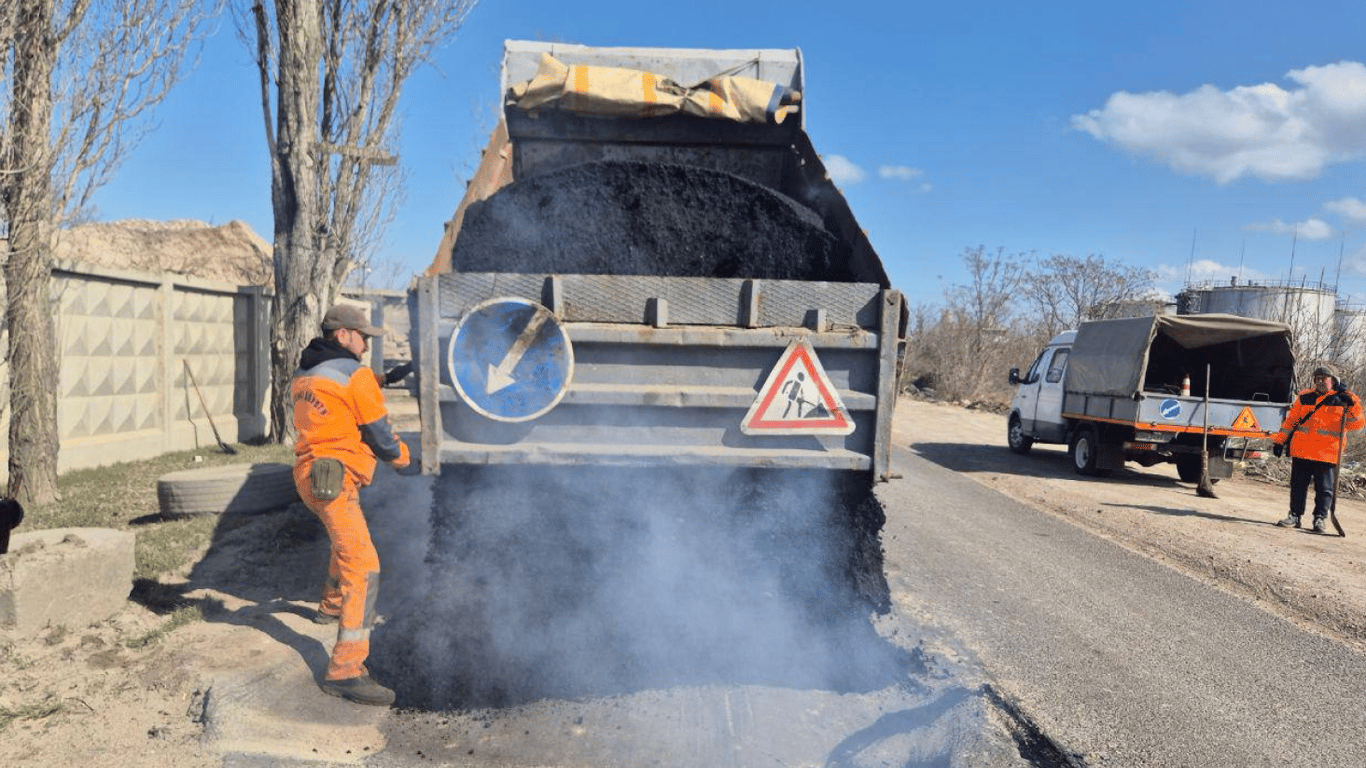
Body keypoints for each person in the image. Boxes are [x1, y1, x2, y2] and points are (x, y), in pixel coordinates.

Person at [292, 304, 412, 706]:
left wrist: (386, 378)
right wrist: (407, 461)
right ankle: (345, 670)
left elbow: (339, 393)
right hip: (336, 478)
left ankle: (328, 608)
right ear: (342, 335)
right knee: (363, 566)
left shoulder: (308, 371)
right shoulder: (354, 375)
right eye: (362, 337)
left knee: (342, 543)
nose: (366, 344)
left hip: (310, 476)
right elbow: (380, 435)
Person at [1272, 364, 1364, 534]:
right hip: (1302, 450)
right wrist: (1279, 441)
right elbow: (1291, 421)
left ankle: (1319, 519)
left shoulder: (1344, 400)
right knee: (1298, 486)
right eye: (1317, 379)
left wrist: (1353, 404)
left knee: (1325, 490)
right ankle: (1295, 515)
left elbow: (1357, 424)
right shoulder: (1305, 397)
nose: (1320, 381)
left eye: (1324, 378)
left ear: (1333, 380)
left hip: (1327, 453)